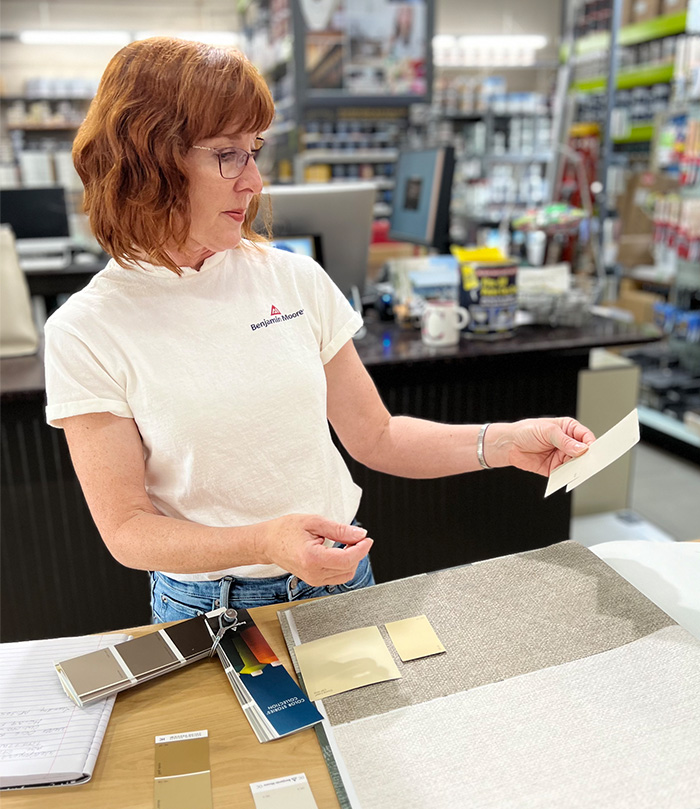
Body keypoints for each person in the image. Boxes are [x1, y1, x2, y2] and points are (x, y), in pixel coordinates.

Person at [44, 37, 595, 624]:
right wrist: (263, 542)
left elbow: (377, 436)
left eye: (254, 150)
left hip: (341, 581)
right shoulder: (87, 329)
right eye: (229, 154)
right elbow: (128, 530)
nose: (253, 181)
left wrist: (506, 442)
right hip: (211, 609)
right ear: (148, 159)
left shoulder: (292, 278)